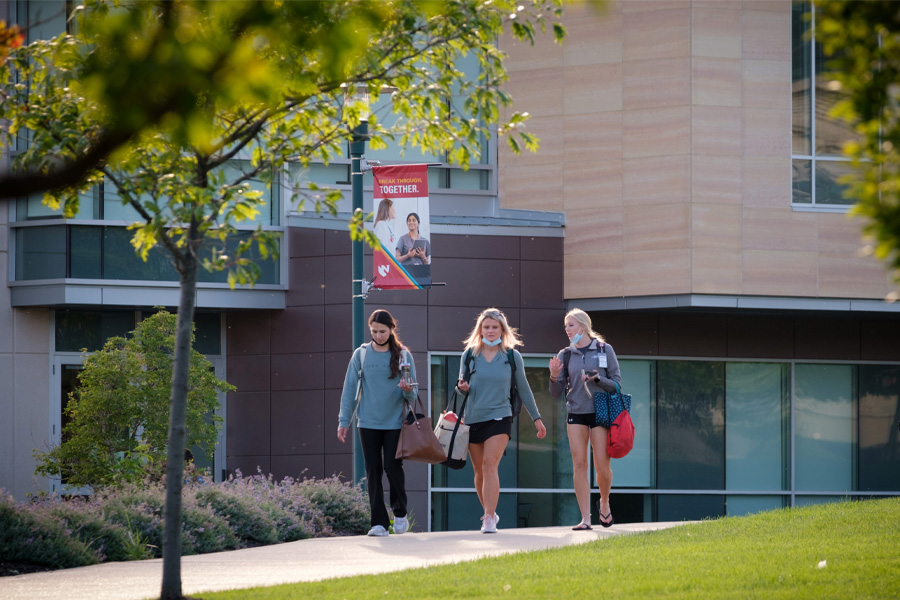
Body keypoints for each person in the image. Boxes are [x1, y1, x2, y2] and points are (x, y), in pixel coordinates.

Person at [456, 308, 547, 533]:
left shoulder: (511, 356)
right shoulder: (469, 354)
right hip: (473, 417)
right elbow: (460, 389)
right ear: (480, 329)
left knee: (490, 465)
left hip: (500, 416)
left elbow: (524, 389)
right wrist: (462, 388)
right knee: (478, 472)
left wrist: (537, 418)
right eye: (486, 327)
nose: (490, 331)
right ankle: (491, 510)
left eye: (494, 327)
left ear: (502, 329)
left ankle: (487, 518)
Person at [337, 309, 417, 537]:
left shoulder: (403, 355)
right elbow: (350, 389)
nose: (378, 335)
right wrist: (344, 421)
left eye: (382, 331)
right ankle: (379, 523)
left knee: (392, 468)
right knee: (373, 471)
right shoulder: (361, 354)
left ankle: (400, 514)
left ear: (391, 329)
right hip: (367, 422)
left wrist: (408, 390)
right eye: (374, 331)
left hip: (394, 423)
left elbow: (413, 393)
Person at [548, 308, 621, 530]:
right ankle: (586, 519)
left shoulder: (604, 349)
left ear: (582, 325)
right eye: (565, 326)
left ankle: (605, 502)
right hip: (576, 411)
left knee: (601, 465)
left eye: (570, 325)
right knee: (579, 464)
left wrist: (598, 379)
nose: (567, 330)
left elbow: (617, 384)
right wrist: (553, 376)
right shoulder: (565, 355)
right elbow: (556, 393)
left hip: (600, 411)